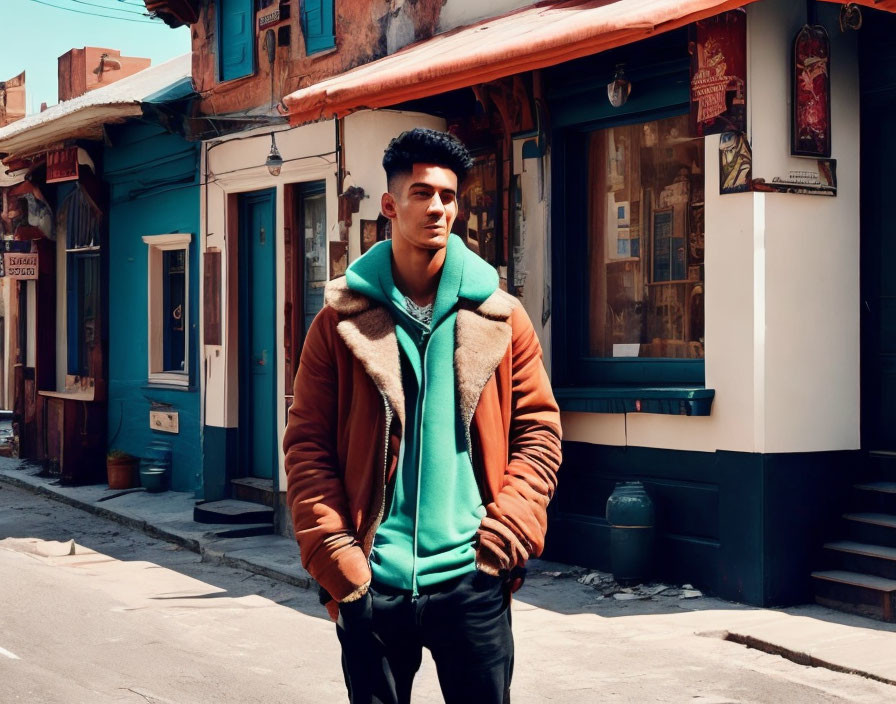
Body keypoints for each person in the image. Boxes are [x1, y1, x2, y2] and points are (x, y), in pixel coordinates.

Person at [283, 127, 562, 704]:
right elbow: (305, 446)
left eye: (448, 195)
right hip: (373, 582)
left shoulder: (500, 318)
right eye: (421, 193)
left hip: (472, 578)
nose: (437, 207)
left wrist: (505, 537)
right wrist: (339, 562)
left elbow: (539, 435)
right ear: (389, 205)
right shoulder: (339, 322)